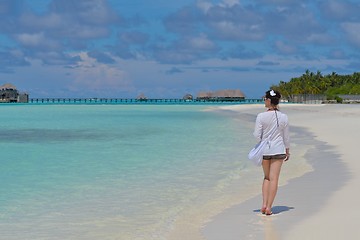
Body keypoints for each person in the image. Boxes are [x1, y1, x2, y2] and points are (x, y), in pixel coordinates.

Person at [253, 89, 290, 215]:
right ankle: (269, 207)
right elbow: (286, 137)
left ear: (269, 101)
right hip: (279, 150)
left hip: (265, 150)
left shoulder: (261, 116)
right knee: (274, 179)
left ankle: (263, 205)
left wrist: (263, 139)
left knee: (267, 177)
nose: (264, 101)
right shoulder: (284, 117)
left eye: (265, 99)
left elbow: (257, 136)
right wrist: (287, 150)